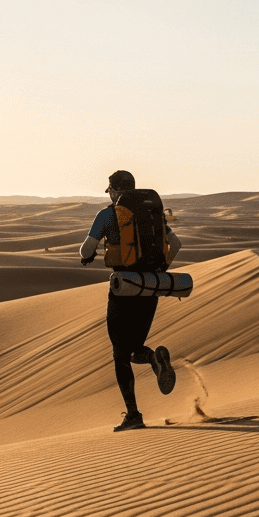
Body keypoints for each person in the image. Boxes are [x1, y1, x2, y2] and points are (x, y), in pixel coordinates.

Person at [80, 170, 183, 431]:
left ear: (114, 190)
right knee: (134, 344)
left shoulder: (107, 214)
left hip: (124, 286)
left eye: (111, 191)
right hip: (151, 285)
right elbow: (177, 242)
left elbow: (87, 249)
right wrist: (162, 269)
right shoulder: (150, 214)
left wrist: (88, 253)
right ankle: (153, 359)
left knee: (120, 352)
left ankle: (134, 415)